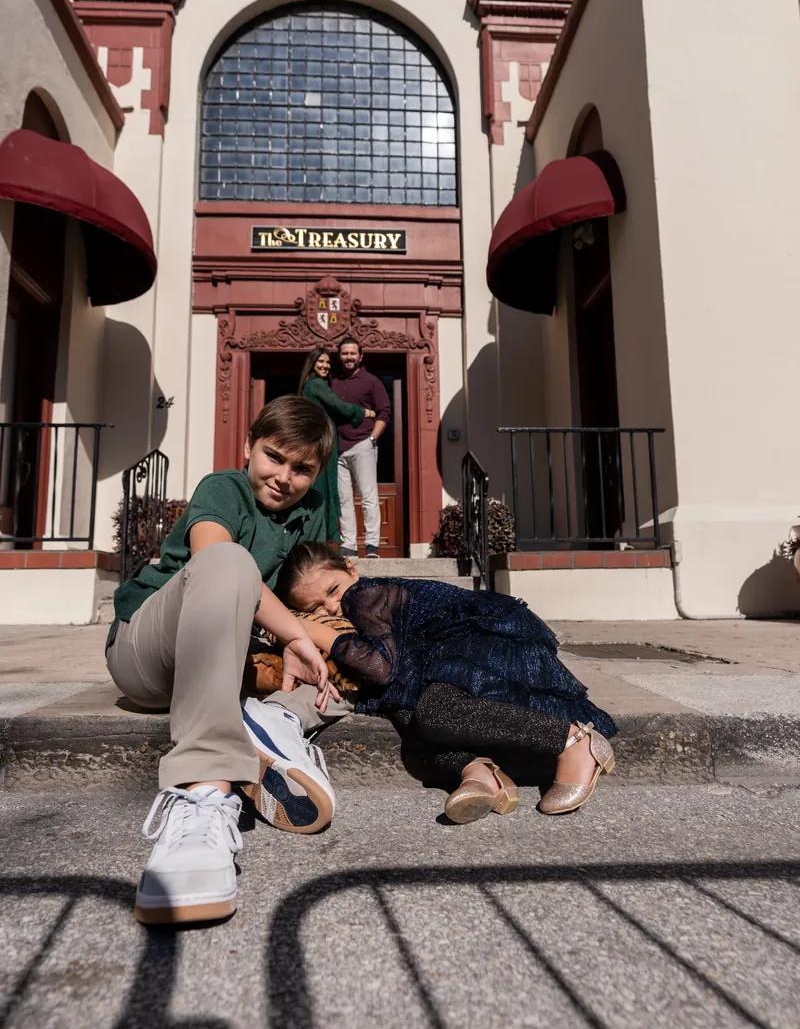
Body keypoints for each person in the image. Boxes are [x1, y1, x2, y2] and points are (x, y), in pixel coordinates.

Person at [106, 396, 349, 927]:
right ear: (247, 446)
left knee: (338, 663)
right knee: (229, 560)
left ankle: (276, 723)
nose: (284, 476)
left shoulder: (307, 516)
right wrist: (291, 631)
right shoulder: (224, 487)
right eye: (274, 456)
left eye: (302, 468)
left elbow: (299, 602)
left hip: (223, 654)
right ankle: (204, 794)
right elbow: (213, 559)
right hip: (147, 651)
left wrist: (312, 643)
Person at [275, 543, 618, 823]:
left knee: (436, 712)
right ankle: (481, 773)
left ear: (352, 570)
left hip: (478, 639)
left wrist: (312, 629)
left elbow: (380, 667)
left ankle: (573, 740)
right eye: (317, 609)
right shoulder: (359, 606)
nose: (333, 607)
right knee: (407, 721)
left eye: (333, 590)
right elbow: (389, 676)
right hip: (446, 654)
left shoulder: (362, 594)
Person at [298, 347, 377, 543]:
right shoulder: (316, 384)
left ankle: (321, 537)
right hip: (323, 440)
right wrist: (365, 413)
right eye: (321, 362)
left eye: (327, 362)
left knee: (322, 485)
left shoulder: (311, 385)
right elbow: (339, 406)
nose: (325, 365)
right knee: (325, 487)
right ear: (312, 363)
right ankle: (325, 538)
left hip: (319, 438)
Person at [331, 337, 391, 558]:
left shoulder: (372, 381)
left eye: (352, 353)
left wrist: (372, 439)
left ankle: (372, 545)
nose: (348, 357)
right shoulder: (332, 382)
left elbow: (384, 412)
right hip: (337, 449)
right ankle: (349, 545)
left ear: (360, 356)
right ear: (340, 356)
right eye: (345, 353)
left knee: (368, 496)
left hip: (363, 445)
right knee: (344, 499)